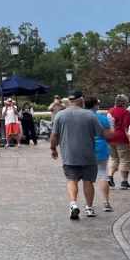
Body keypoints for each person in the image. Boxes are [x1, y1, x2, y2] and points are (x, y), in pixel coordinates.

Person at [51, 91, 106, 220]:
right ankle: (89, 208)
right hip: (88, 154)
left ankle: (73, 203)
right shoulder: (90, 115)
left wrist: (53, 148)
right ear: (81, 100)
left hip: (69, 154)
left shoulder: (60, 115)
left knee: (71, 180)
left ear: (70, 101)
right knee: (88, 182)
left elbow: (54, 135)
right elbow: (101, 132)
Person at [87, 97, 115, 212]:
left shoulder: (82, 117)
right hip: (101, 147)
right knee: (103, 174)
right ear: (95, 105)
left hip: (87, 148)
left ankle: (89, 204)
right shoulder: (101, 118)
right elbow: (109, 135)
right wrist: (112, 125)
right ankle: (106, 202)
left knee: (88, 178)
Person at [107, 94, 130, 190]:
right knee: (124, 159)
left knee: (113, 158)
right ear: (123, 102)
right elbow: (126, 128)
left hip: (110, 137)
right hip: (121, 138)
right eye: (127, 101)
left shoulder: (110, 111)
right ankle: (124, 181)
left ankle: (110, 177)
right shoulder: (125, 112)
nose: (128, 102)